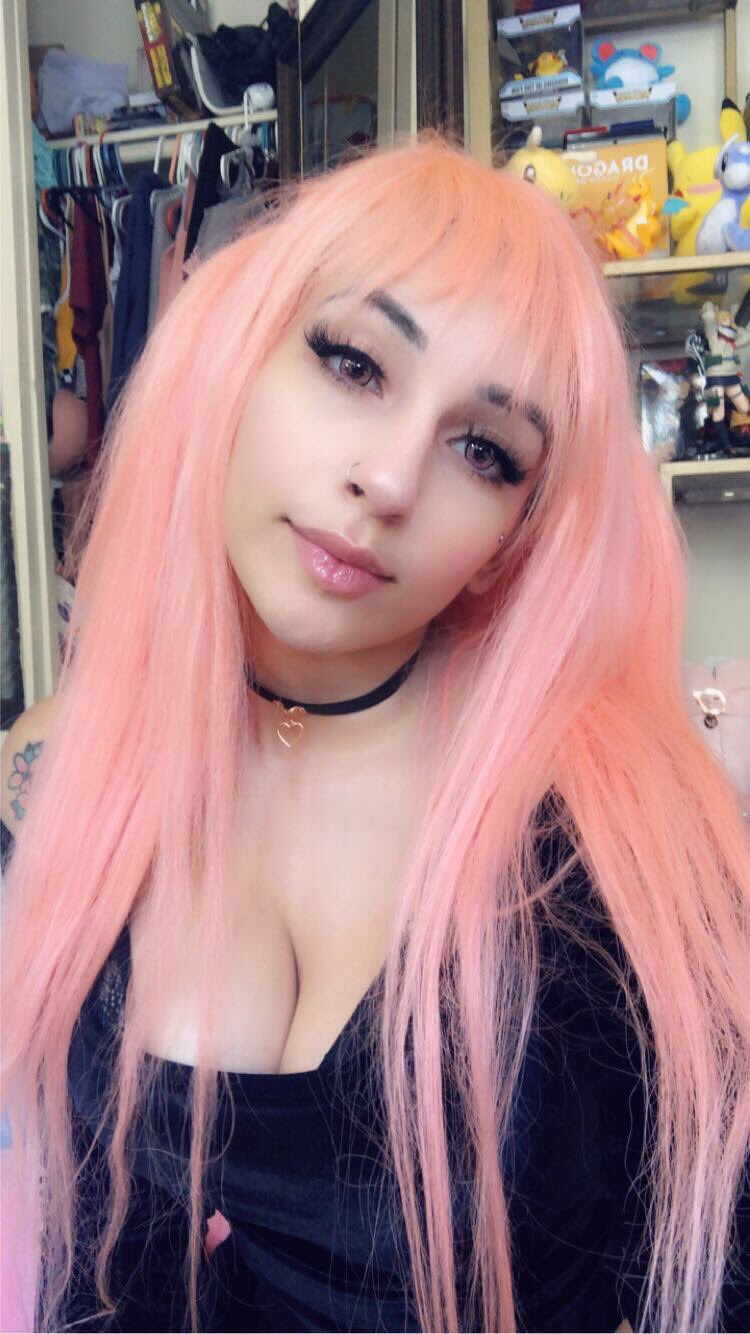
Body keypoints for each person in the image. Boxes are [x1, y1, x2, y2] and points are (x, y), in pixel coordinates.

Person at [1, 131, 749, 1334]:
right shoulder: (53, 778)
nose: (391, 478)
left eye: (483, 451)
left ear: (511, 542)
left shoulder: (620, 855)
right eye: (354, 362)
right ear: (234, 359)